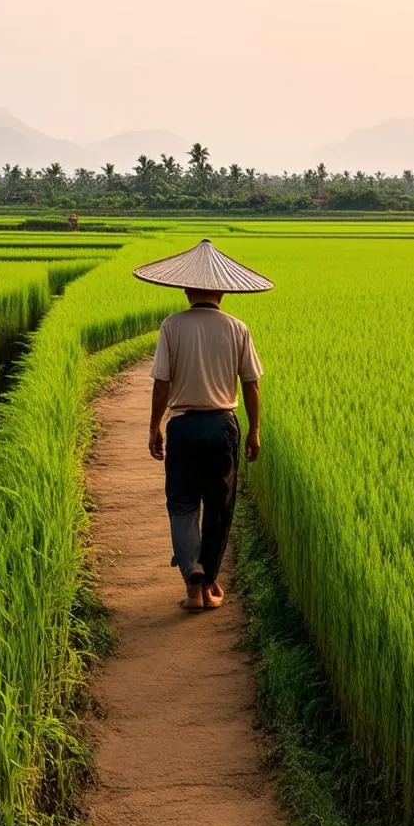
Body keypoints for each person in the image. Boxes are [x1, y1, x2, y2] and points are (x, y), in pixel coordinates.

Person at [133, 240, 273, 612]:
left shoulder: (172, 326)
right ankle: (208, 579)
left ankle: (193, 584)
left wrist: (154, 426)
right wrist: (255, 429)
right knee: (219, 506)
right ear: (223, 290)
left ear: (186, 288)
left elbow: (161, 382)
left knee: (181, 505)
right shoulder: (237, 328)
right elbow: (251, 384)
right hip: (222, 426)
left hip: (183, 427)